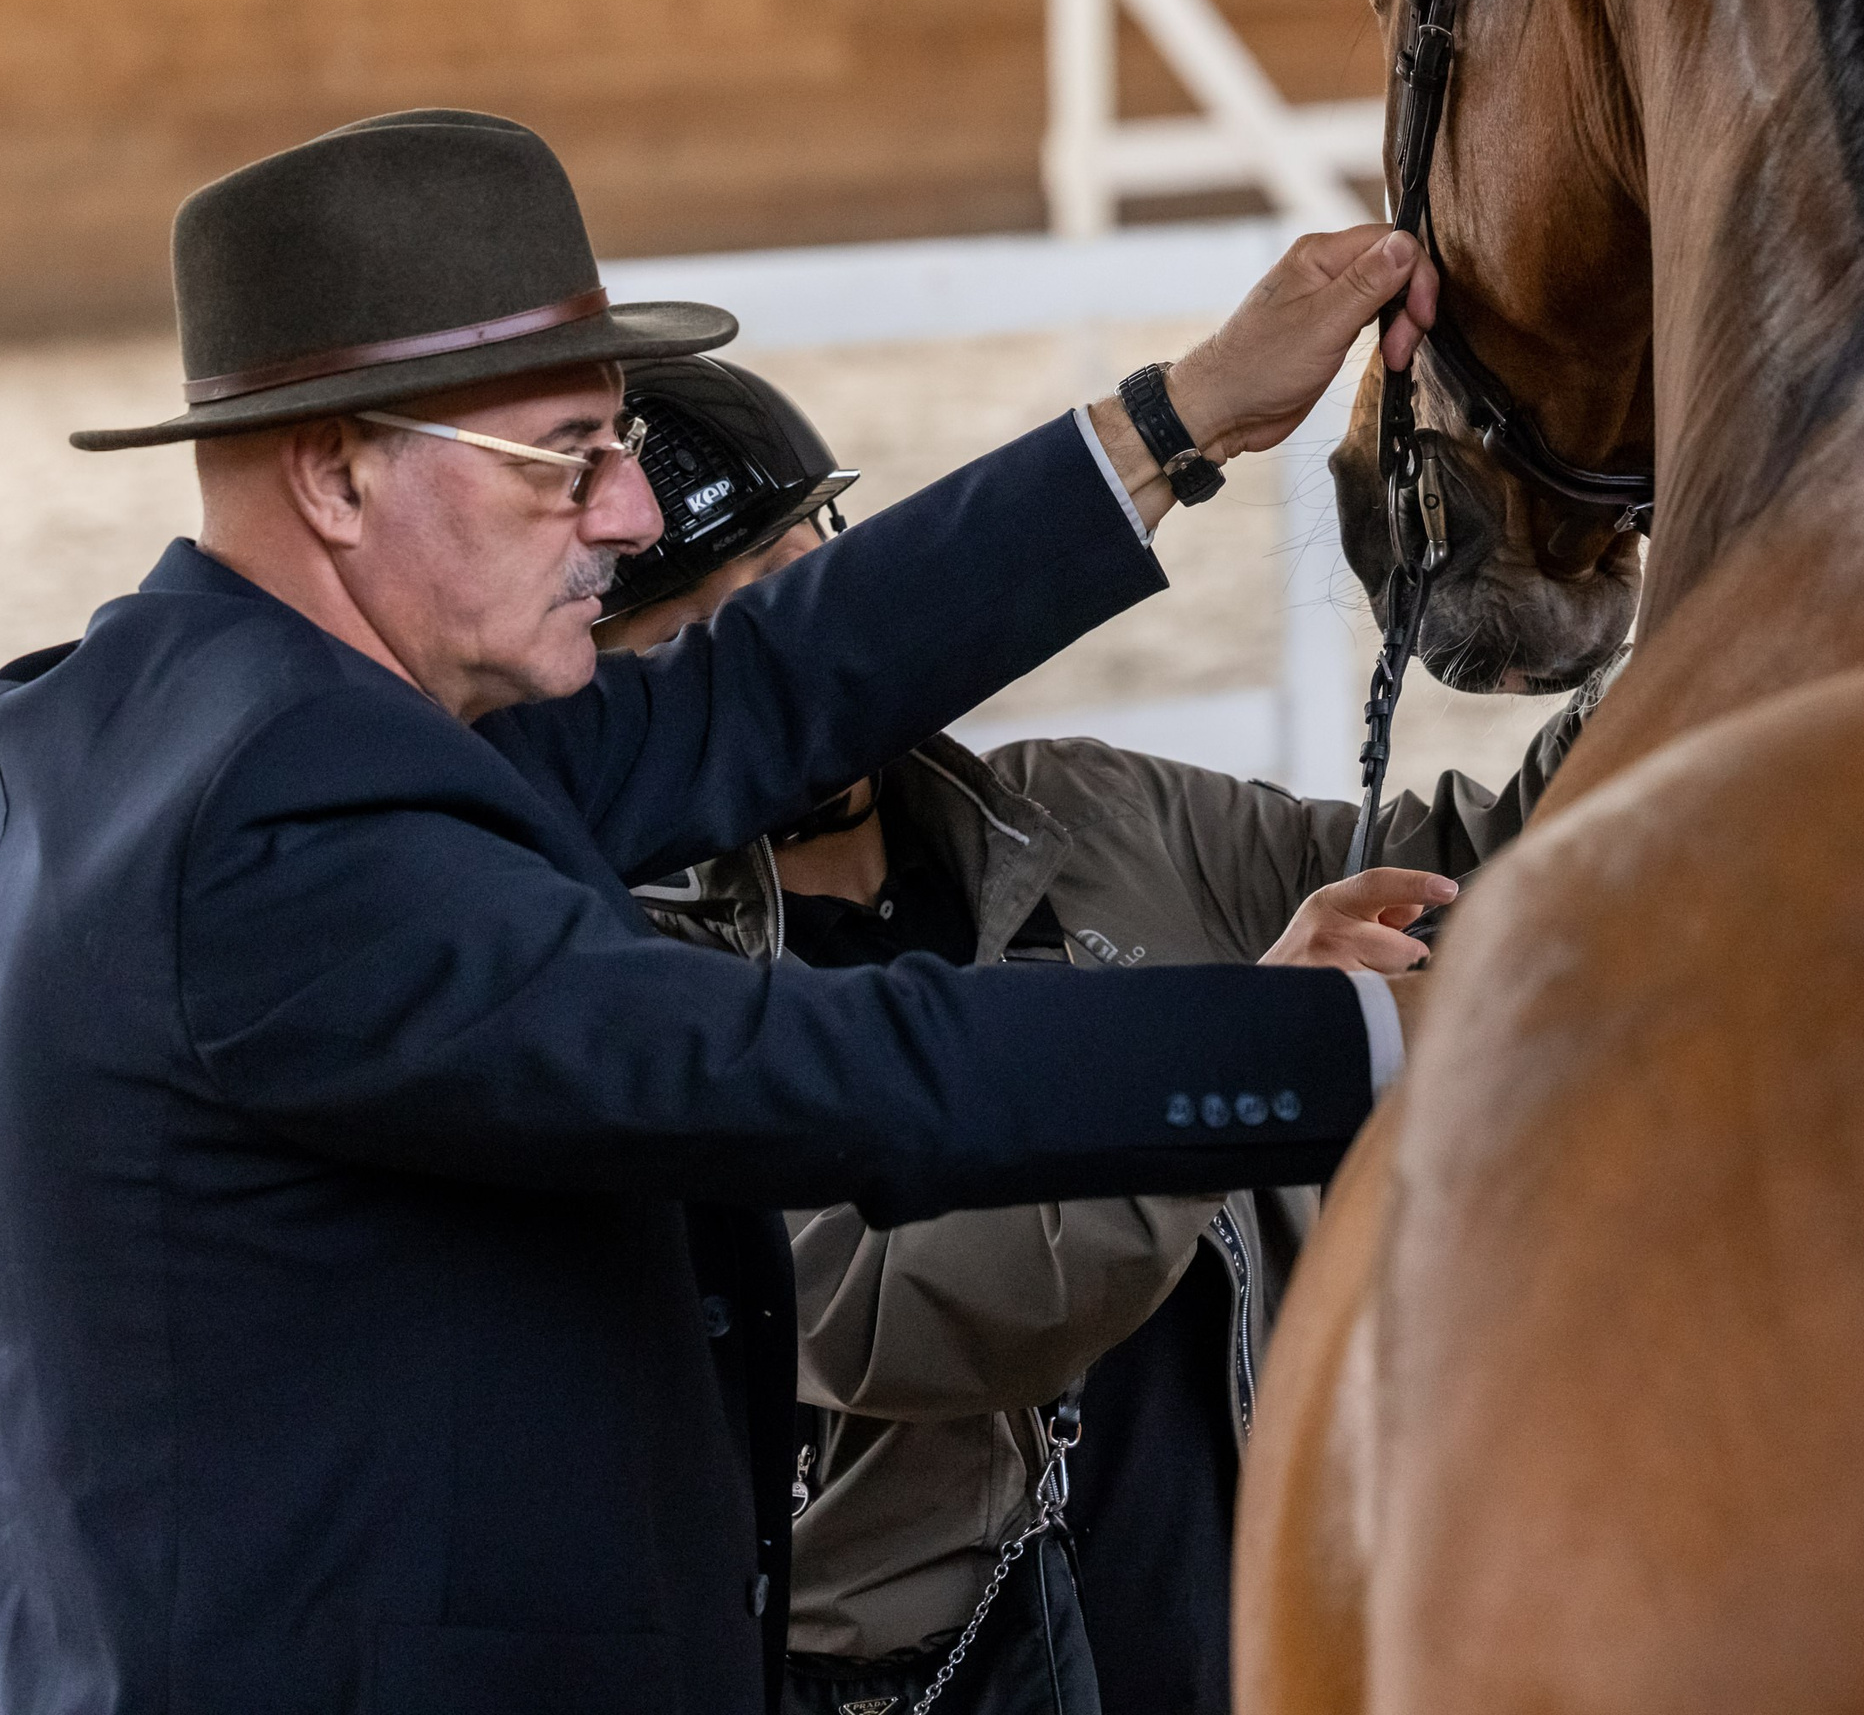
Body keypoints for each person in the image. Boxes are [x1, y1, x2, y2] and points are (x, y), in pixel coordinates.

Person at [0, 107, 1442, 1715]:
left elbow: (771, 683)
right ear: (336, 474)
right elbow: (794, 1068)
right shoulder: (289, 839)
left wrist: (1185, 414)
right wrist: (1345, 1040)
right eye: (566, 459)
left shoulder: (198, 720)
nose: (634, 517)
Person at [597, 356, 1597, 1715]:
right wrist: (1253, 1039)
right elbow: (917, 1314)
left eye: (793, 588)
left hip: (1256, 1657)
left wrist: (1738, 581)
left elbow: (1480, 865)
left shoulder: (1091, 815)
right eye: (682, 647)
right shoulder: (636, 999)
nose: (774, 666)